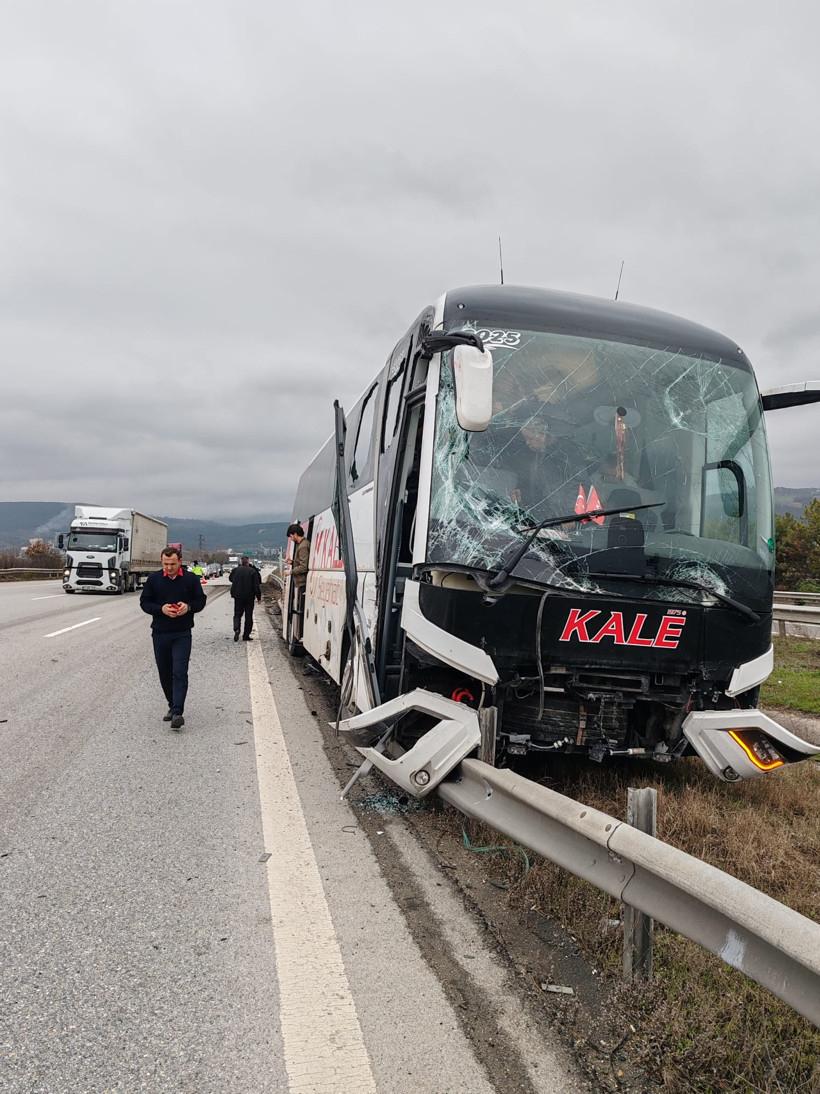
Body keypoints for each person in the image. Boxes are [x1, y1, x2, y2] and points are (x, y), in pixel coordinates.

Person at [140, 545, 207, 730]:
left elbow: (200, 600)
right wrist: (161, 609)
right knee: (165, 672)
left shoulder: (191, 579)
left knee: (180, 672)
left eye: (172, 564)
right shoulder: (154, 579)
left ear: (180, 562)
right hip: (160, 632)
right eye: (165, 564)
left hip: (182, 633)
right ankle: (171, 704)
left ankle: (178, 711)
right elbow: (144, 602)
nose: (168, 567)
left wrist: (189, 607)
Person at [285, 523, 310, 641]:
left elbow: (304, 566)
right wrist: (293, 562)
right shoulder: (302, 545)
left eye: (291, 536)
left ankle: (301, 634)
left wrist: (291, 572)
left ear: (295, 534)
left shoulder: (303, 546)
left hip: (302, 583)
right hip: (300, 582)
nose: (291, 539)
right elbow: (301, 562)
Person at [229, 556, 262, 641]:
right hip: (249, 596)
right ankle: (246, 635)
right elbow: (256, 585)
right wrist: (259, 597)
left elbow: (231, 579)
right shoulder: (252, 571)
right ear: (248, 562)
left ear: (240, 562)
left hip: (238, 596)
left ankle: (237, 628)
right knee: (248, 615)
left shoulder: (236, 570)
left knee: (237, 614)